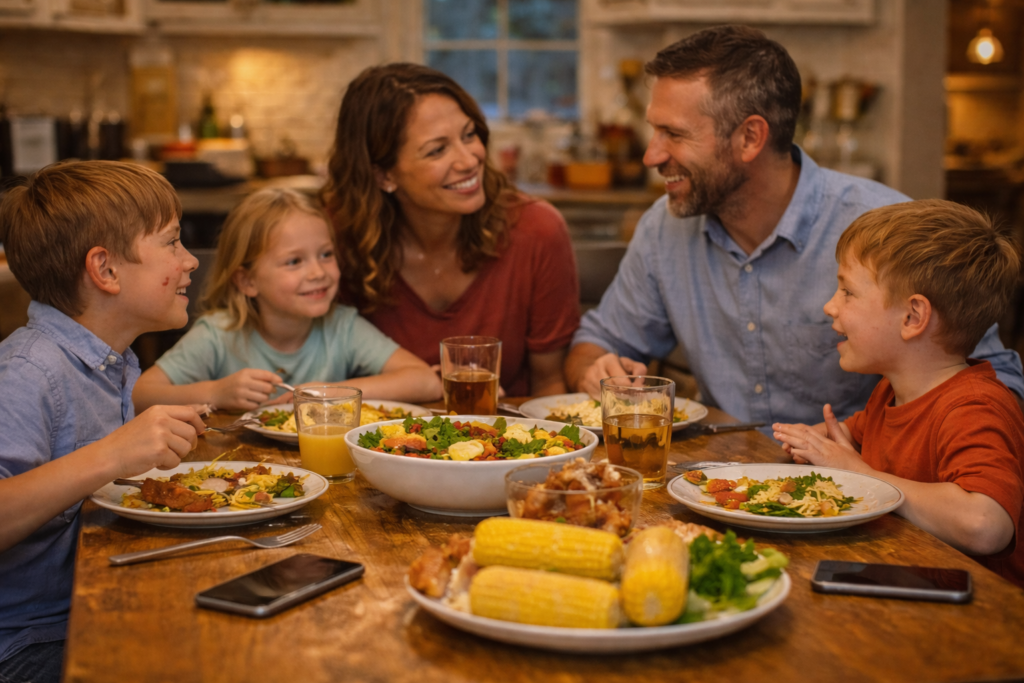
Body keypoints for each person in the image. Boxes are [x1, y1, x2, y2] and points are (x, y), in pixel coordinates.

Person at [565, 25, 1024, 428]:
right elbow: (596, 343)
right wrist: (597, 369)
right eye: (654, 131)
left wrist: (885, 455)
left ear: (750, 137)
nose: (652, 155)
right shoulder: (663, 229)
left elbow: (997, 385)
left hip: (854, 486)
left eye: (675, 134)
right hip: (715, 481)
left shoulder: (884, 233)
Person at [0, 161, 207, 683]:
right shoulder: (29, 371)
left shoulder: (112, 361)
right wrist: (113, 454)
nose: (190, 261)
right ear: (106, 270)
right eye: (172, 242)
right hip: (25, 645)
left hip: (91, 602)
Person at [773, 200, 1024, 588]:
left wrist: (863, 475)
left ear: (912, 317)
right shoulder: (891, 392)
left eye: (847, 291)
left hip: (974, 607)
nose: (830, 306)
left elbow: (985, 524)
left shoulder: (974, 407)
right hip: (902, 578)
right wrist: (813, 442)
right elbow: (852, 435)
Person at [322, 63, 580, 398]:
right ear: (383, 175)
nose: (469, 160)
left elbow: (550, 385)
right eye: (437, 150)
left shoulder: (537, 230)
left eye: (469, 135)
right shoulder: (333, 238)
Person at [133, 188, 442, 412]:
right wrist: (215, 392)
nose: (318, 272)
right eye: (294, 261)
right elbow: (138, 395)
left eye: (326, 254)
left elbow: (426, 381)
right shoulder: (218, 334)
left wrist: (327, 392)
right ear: (247, 281)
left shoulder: (342, 327)